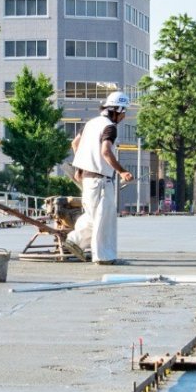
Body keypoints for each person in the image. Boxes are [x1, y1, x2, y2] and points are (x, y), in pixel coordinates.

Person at [67, 92, 135, 264]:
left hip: (88, 178)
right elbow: (106, 151)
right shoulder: (109, 127)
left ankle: (75, 240)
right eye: (123, 111)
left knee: (93, 214)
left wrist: (80, 166)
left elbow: (75, 144)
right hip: (101, 179)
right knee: (104, 219)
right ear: (116, 109)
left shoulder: (90, 124)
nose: (124, 115)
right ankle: (104, 256)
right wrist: (122, 171)